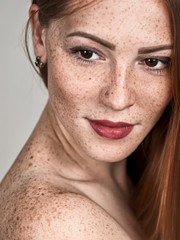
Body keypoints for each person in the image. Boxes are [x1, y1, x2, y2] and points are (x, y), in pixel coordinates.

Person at [0, 0, 179, 239]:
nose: (118, 99)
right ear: (40, 35)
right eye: (88, 53)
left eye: (153, 61)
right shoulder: (58, 224)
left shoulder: (144, 169)